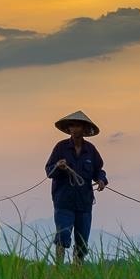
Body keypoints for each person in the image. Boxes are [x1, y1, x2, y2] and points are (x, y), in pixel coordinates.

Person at [44, 110, 108, 265]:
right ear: (68, 129)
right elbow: (49, 171)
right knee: (63, 235)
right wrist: (58, 166)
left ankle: (76, 272)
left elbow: (99, 170)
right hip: (64, 201)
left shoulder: (91, 150)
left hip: (84, 203)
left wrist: (101, 180)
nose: (74, 128)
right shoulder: (61, 148)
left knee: (82, 240)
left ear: (84, 129)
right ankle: (58, 269)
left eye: (77, 125)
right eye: (72, 125)